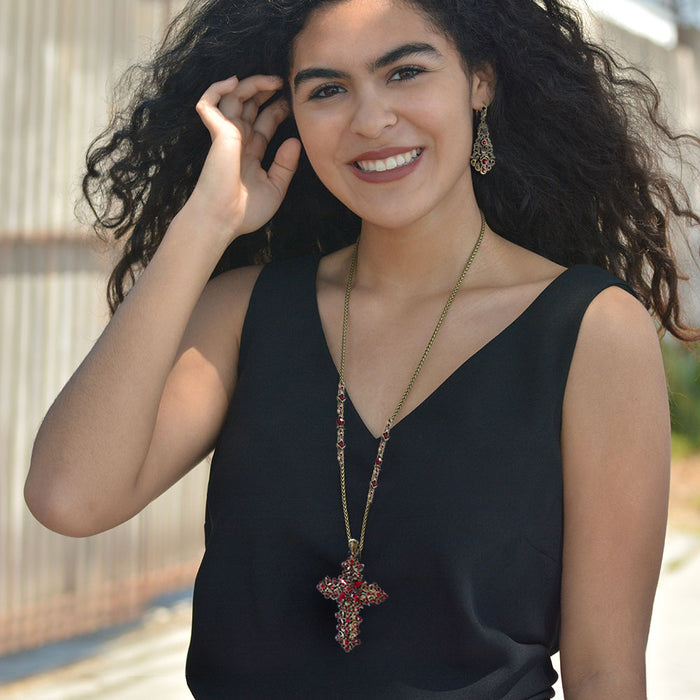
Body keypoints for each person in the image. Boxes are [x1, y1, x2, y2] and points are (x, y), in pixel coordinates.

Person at [25, 0, 699, 697]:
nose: (370, 120)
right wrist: (206, 222)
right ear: (286, 112)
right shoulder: (243, 311)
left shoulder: (589, 331)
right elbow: (69, 497)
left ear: (480, 82)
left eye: (405, 71)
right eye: (326, 89)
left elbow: (606, 675)